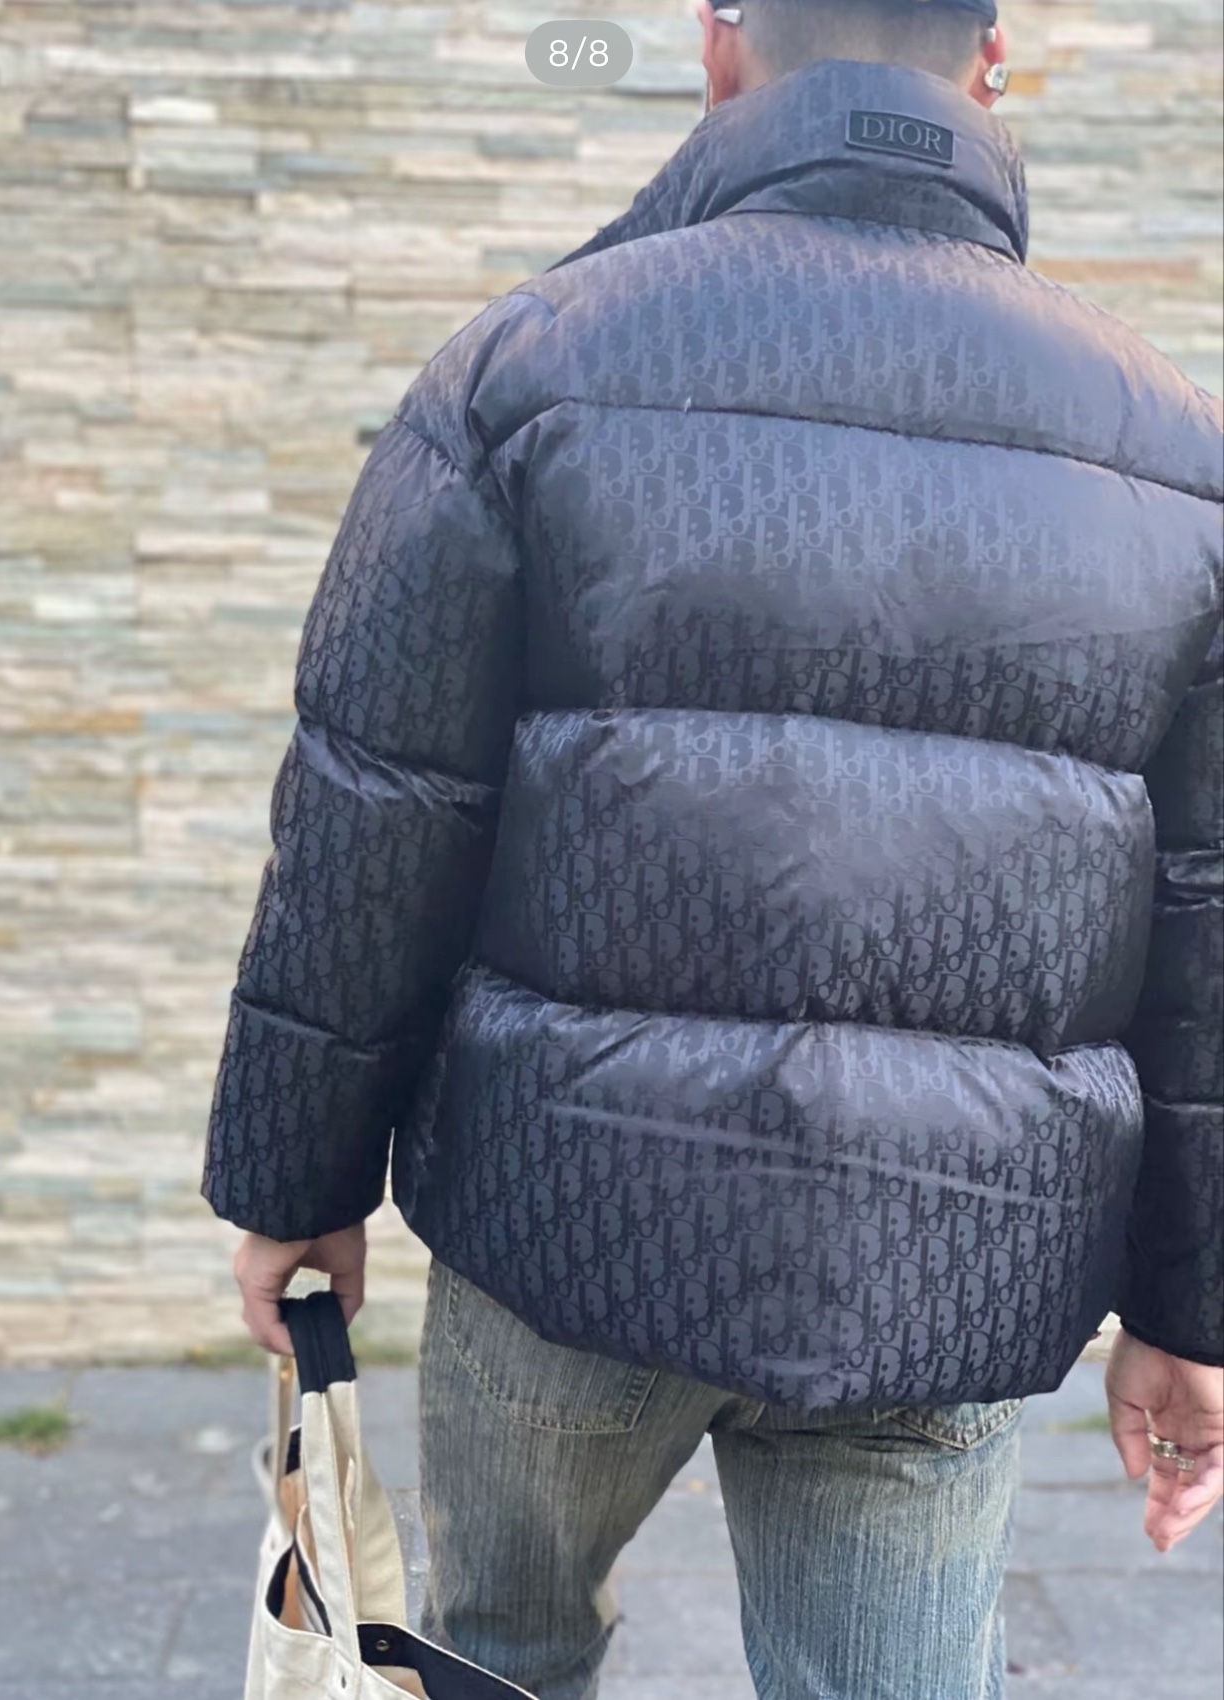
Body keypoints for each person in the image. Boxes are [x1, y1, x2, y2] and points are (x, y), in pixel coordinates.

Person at [203, 1, 1224, 1694]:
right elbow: (1205, 922)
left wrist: (293, 1185)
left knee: (503, 1653)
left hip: (566, 1209)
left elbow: (375, 811)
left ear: (715, 48)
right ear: (990, 66)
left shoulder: (531, 365)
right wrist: (1192, 1306)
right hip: (944, 1247)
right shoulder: (1173, 450)